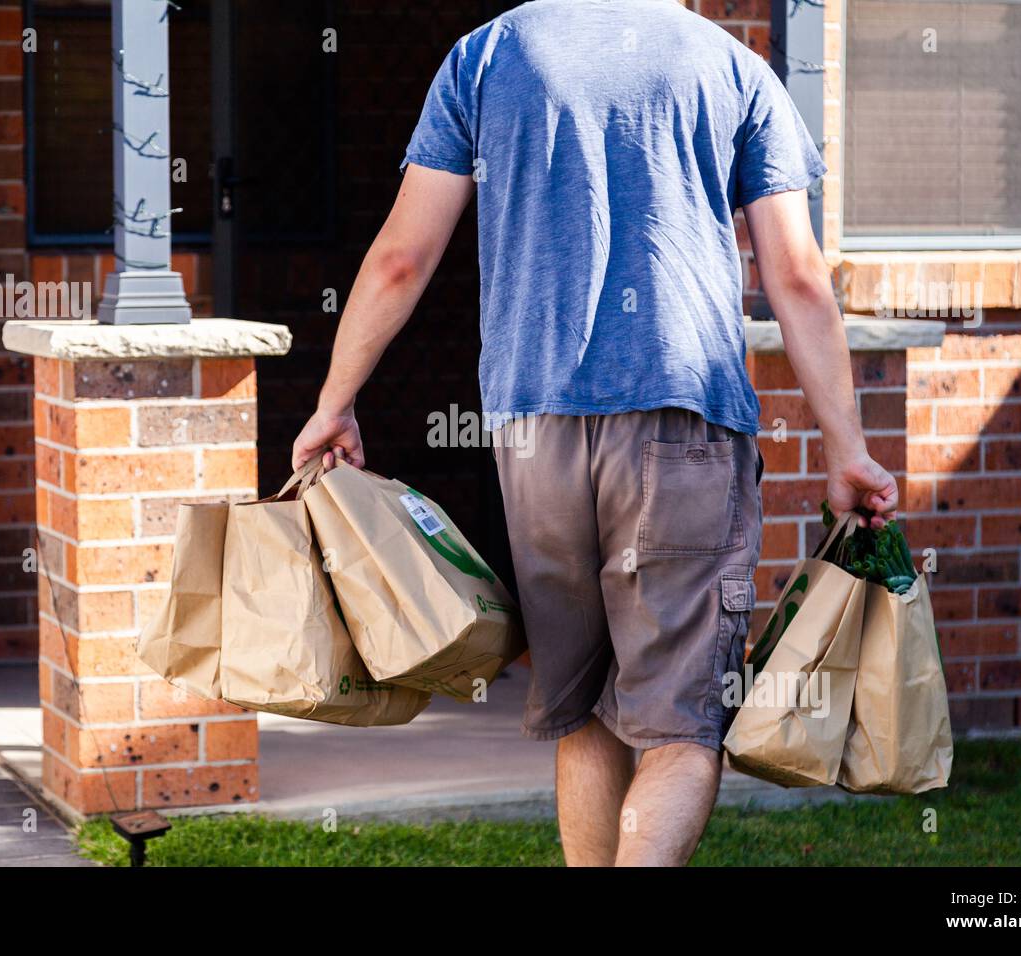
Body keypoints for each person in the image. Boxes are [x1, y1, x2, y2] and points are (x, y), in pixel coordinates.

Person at [291, 0, 898, 866]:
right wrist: (846, 448)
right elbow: (796, 275)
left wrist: (334, 402)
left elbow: (401, 256)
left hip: (534, 433)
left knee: (581, 708)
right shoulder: (732, 67)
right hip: (682, 422)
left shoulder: (488, 54)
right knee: (680, 726)